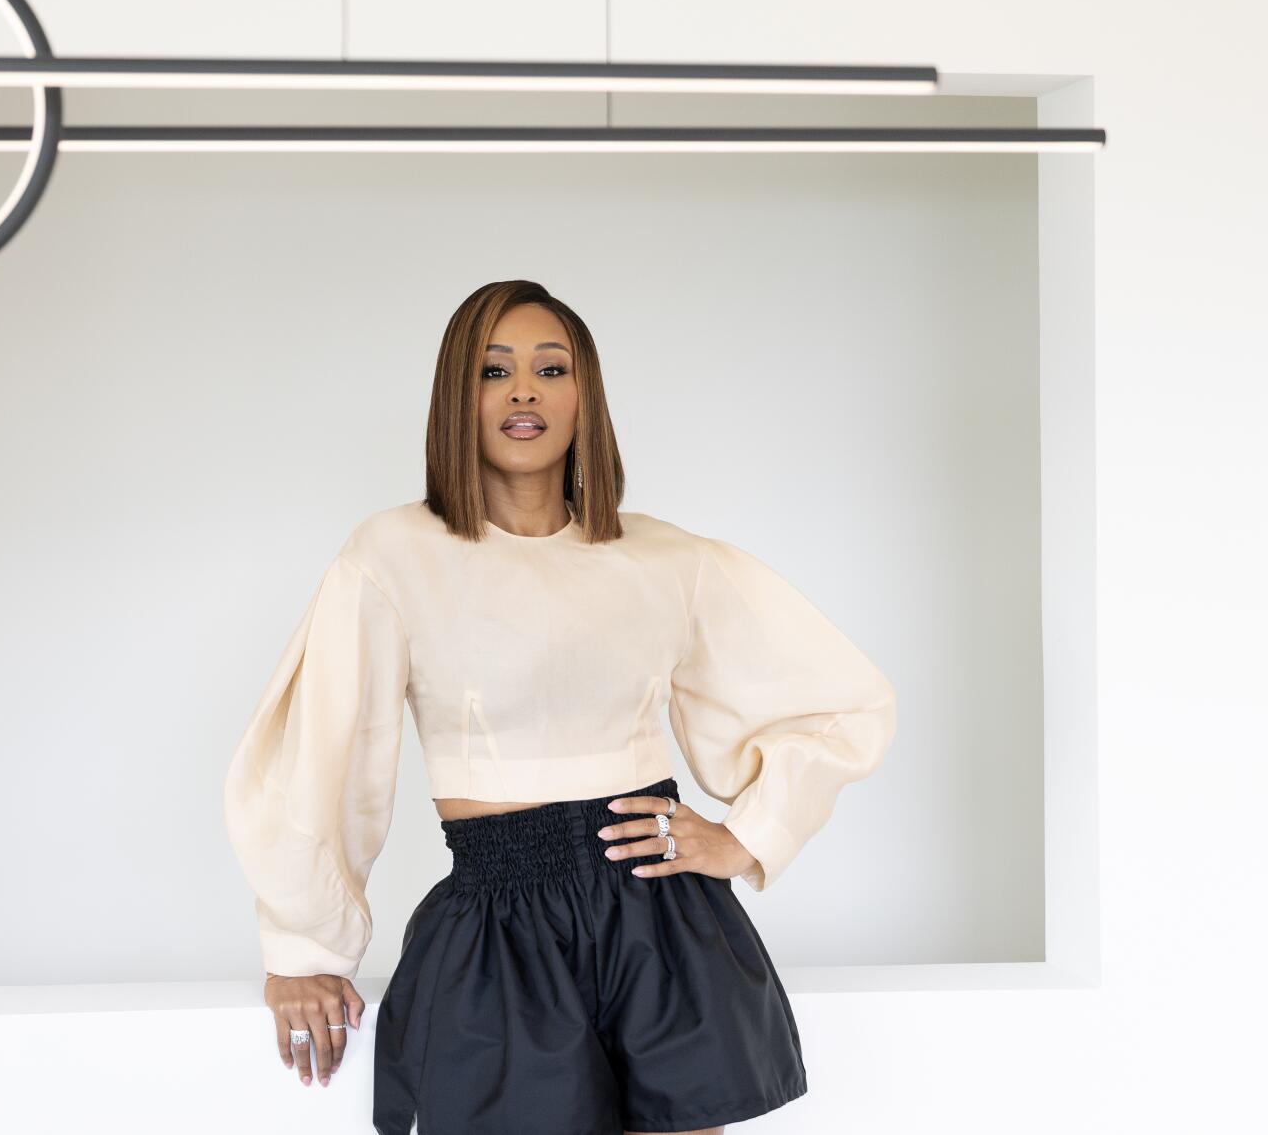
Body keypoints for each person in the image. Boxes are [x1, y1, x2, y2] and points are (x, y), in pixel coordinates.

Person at [221, 279, 898, 1135]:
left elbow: (840, 700)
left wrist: (748, 835)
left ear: (585, 396)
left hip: (663, 916)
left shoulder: (664, 558)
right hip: (499, 919)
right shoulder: (392, 555)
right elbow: (326, 749)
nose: (524, 392)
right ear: (457, 395)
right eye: (493, 370)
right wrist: (305, 949)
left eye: (551, 368)